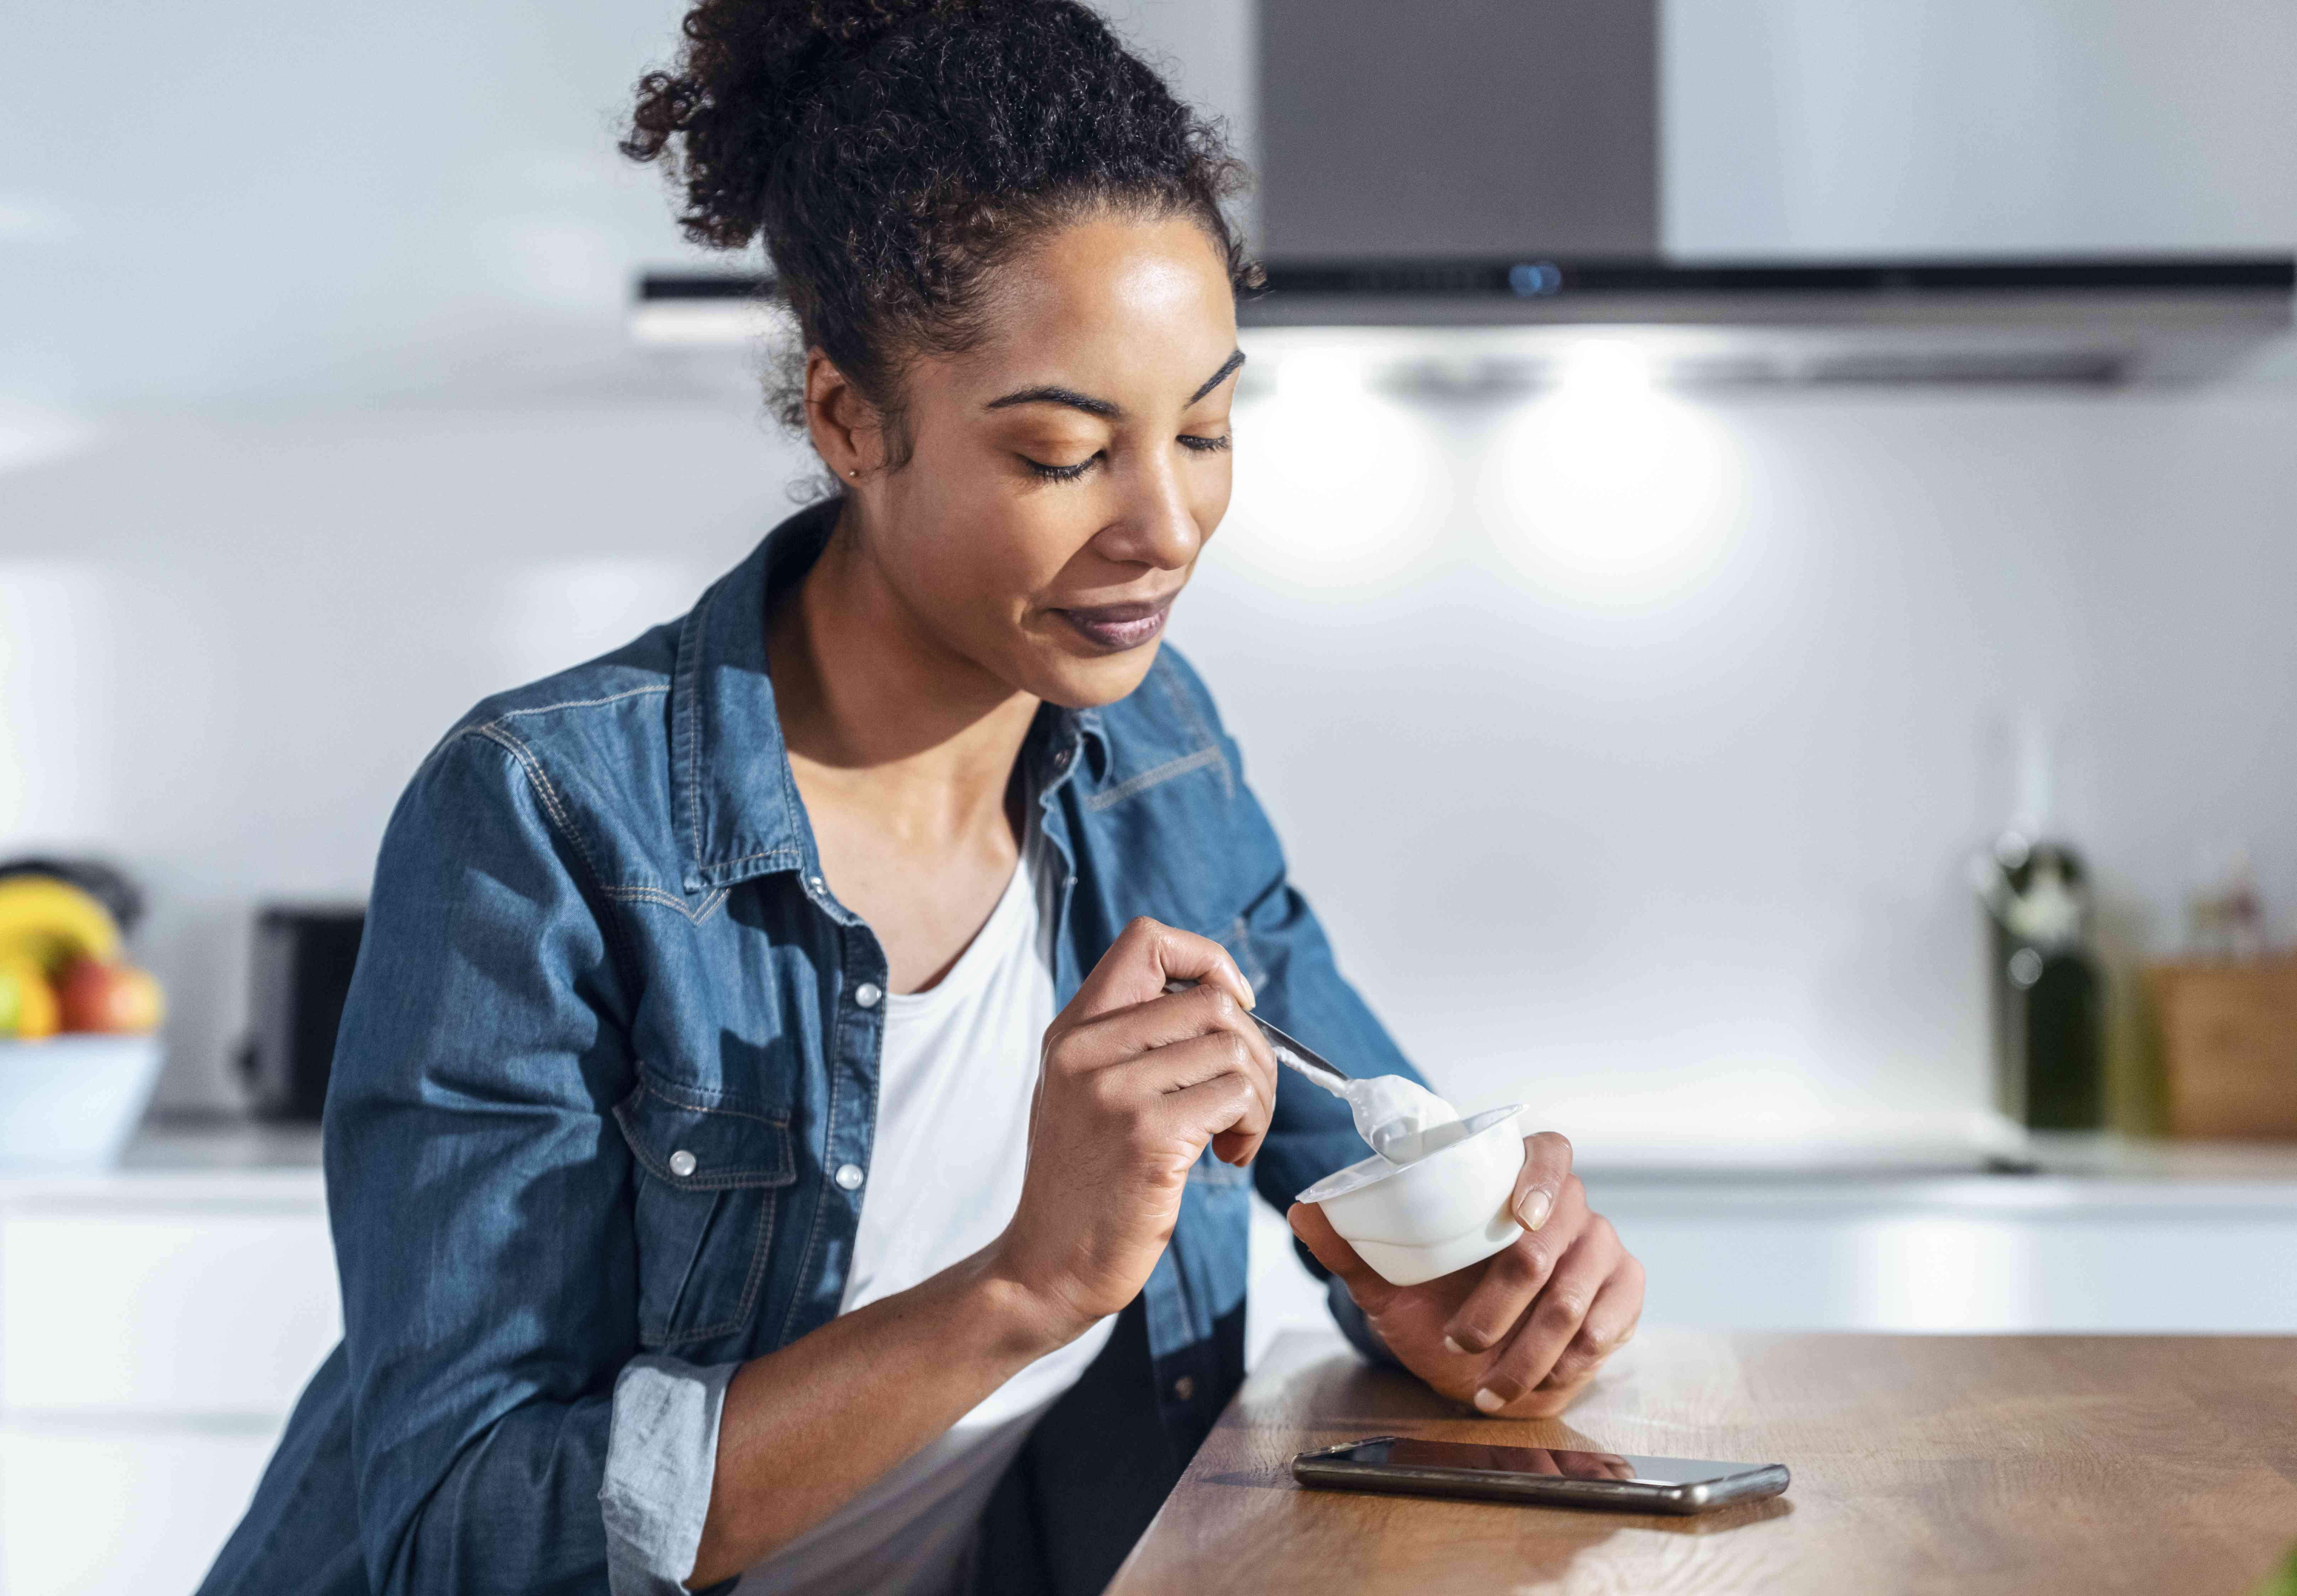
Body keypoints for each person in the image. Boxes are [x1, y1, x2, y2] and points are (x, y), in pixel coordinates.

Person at [199, 2, 1644, 1592]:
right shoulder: (546, 826)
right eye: (1060, 453)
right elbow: (469, 1534)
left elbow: (1366, 1159)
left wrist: (1452, 1286)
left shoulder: (1158, 759)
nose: (1165, 526)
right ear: (848, 420)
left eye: (1208, 427)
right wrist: (1025, 1285)